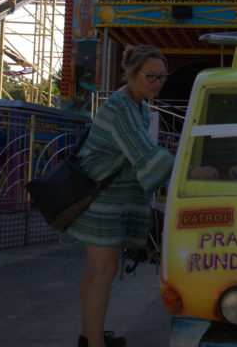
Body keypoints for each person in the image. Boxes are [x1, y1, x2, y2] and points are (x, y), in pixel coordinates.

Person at [62, 45, 175, 347]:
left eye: (162, 77)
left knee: (97, 271)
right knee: (103, 270)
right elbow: (144, 155)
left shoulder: (138, 106)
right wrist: (187, 170)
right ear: (132, 74)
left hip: (105, 195)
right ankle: (93, 342)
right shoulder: (120, 108)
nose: (157, 83)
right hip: (99, 199)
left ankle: (90, 336)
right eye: (150, 76)